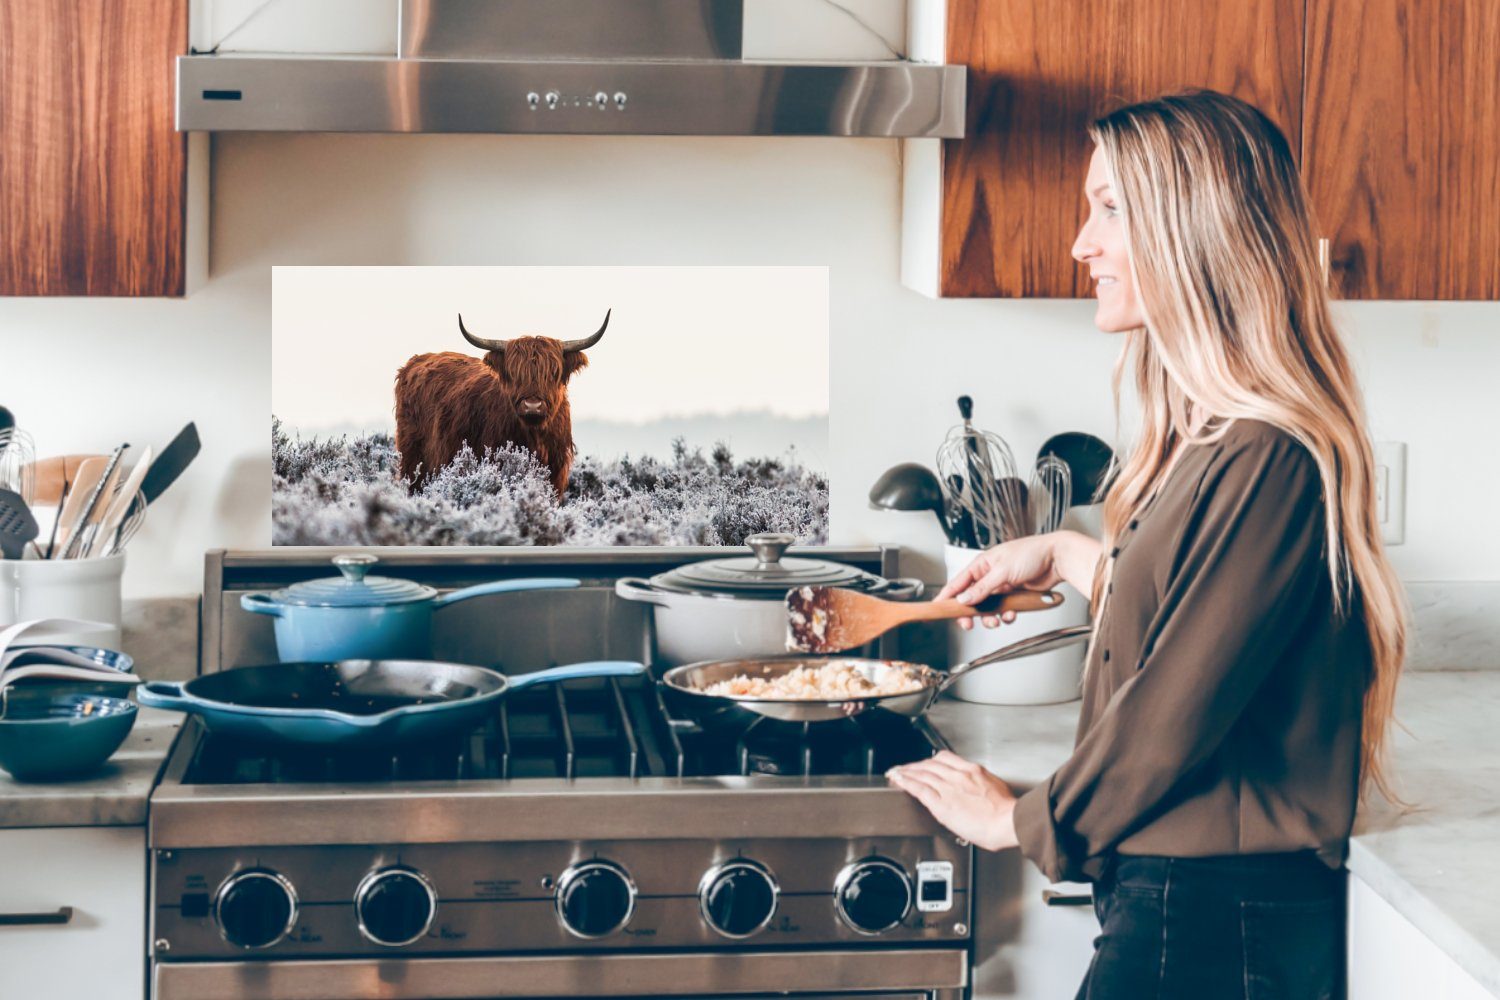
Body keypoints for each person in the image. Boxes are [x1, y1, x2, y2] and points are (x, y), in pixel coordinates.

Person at [887, 90, 1407, 999]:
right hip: (1187, 902)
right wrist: (1066, 552)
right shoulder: (1212, 439)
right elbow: (1201, 608)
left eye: (1110, 209)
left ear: (1196, 230)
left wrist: (1024, 821)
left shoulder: (1271, 453)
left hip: (1217, 917)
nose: (1083, 242)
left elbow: (1174, 710)